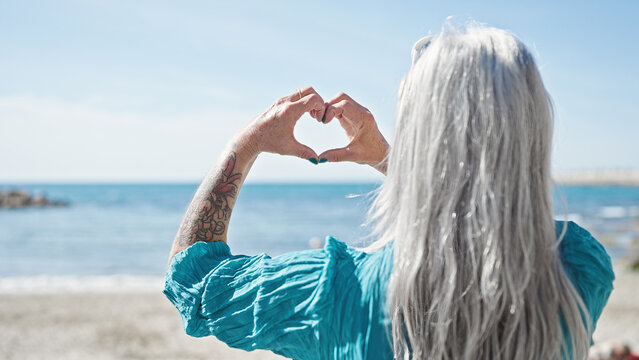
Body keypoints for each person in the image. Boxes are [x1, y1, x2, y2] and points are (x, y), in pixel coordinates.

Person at [164, 24, 614, 360]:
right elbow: (476, 209)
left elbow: (193, 284)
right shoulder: (579, 268)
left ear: (421, 136)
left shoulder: (341, 294)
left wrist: (245, 145)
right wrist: (387, 160)